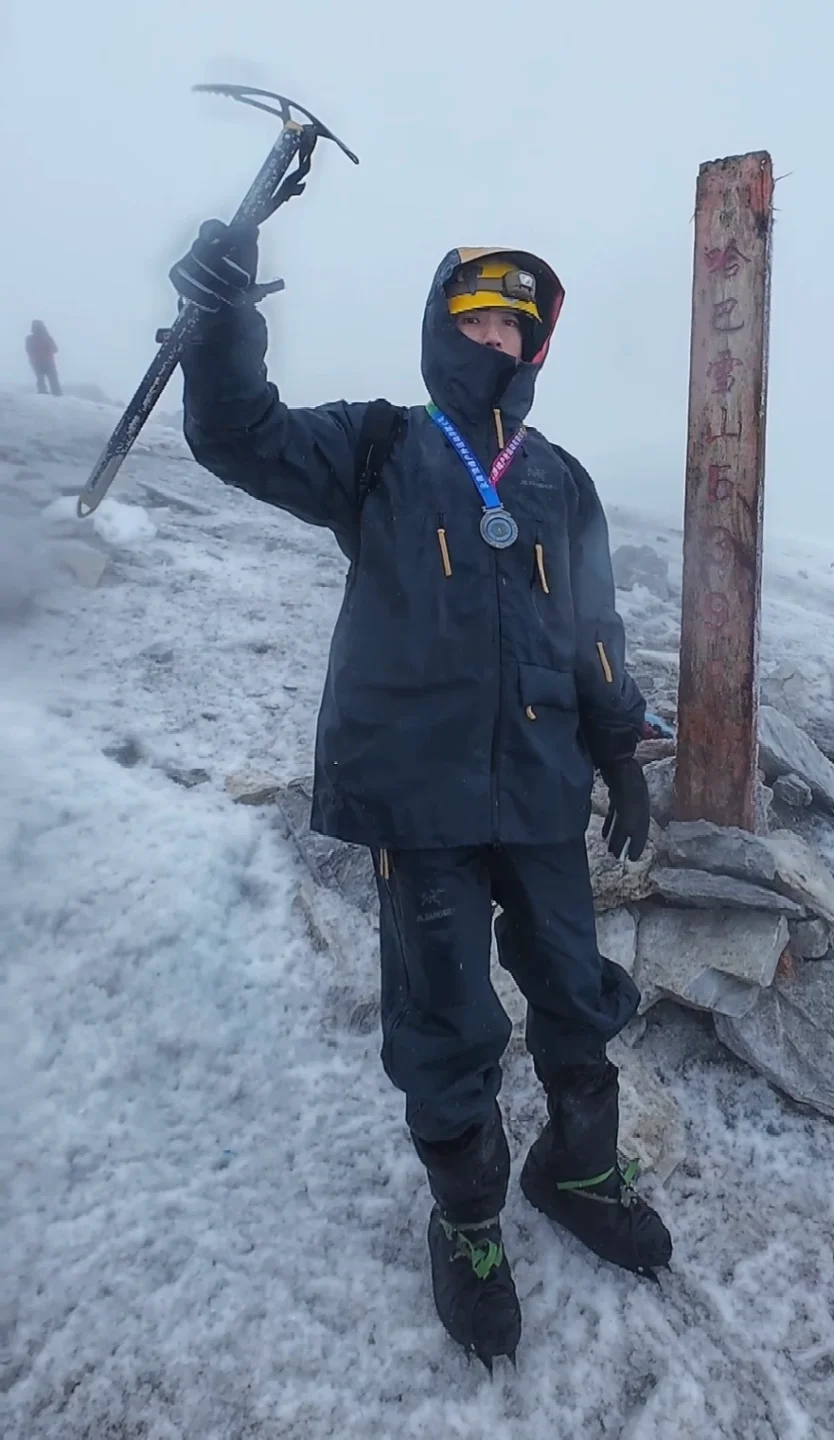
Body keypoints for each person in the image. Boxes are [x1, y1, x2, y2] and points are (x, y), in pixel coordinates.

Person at [169, 221, 672, 1368]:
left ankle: (577, 1169)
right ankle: (469, 1222)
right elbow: (240, 435)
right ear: (443, 327)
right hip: (419, 796)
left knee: (576, 990)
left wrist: (617, 750)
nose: (497, 339)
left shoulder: (559, 481)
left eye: (515, 327)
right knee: (447, 1017)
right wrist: (222, 324)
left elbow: (594, 630)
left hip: (541, 792)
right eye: (478, 319)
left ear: (535, 349)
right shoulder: (380, 446)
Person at [26, 320, 61, 396]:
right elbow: (55, 349)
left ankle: (43, 393)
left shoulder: (30, 339)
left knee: (40, 380)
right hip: (48, 362)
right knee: (52, 381)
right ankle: (56, 394)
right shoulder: (47, 338)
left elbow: (28, 350)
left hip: (37, 362)